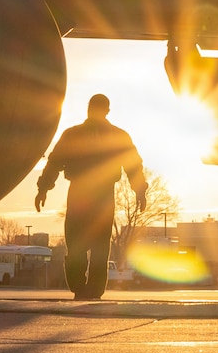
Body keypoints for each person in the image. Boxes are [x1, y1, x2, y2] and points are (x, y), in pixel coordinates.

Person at [35, 93, 147, 300]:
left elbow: (54, 163)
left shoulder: (74, 134)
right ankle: (90, 289)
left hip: (82, 193)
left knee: (85, 243)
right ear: (107, 111)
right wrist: (139, 191)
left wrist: (43, 189)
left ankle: (82, 288)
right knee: (97, 245)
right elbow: (133, 166)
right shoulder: (115, 135)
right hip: (98, 195)